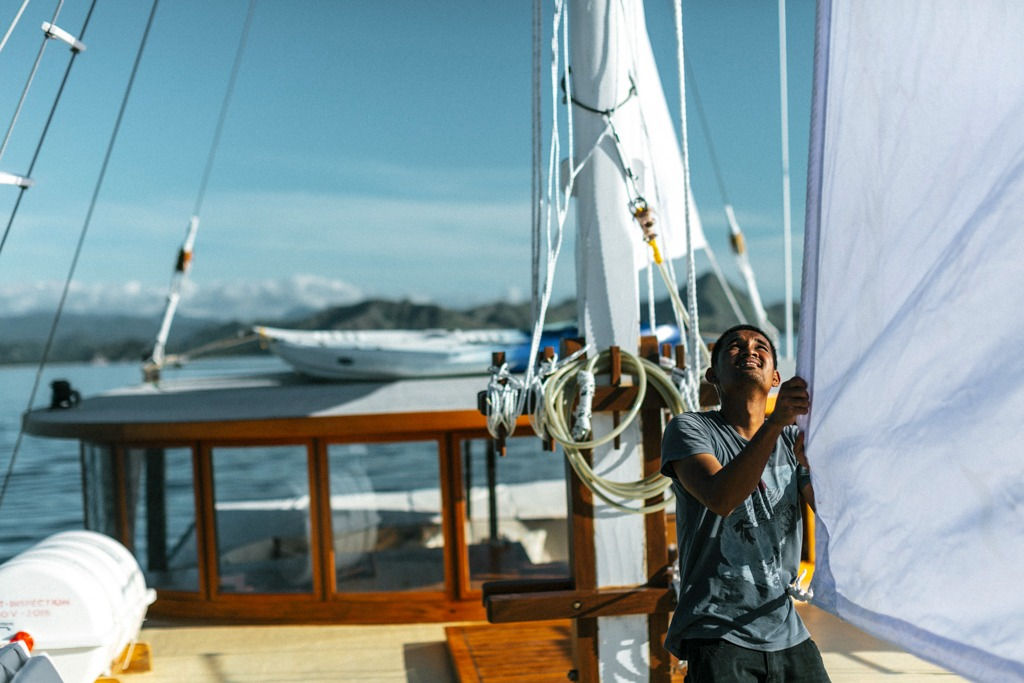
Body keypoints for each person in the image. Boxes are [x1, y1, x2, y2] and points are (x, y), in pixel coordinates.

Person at [661, 324, 830, 682]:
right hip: (716, 631)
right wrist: (776, 423)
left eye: (761, 346)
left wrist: (819, 467)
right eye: (734, 347)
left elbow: (832, 512)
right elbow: (721, 497)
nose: (750, 350)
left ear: (775, 376)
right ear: (712, 375)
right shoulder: (690, 429)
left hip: (785, 627)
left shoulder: (791, 439)